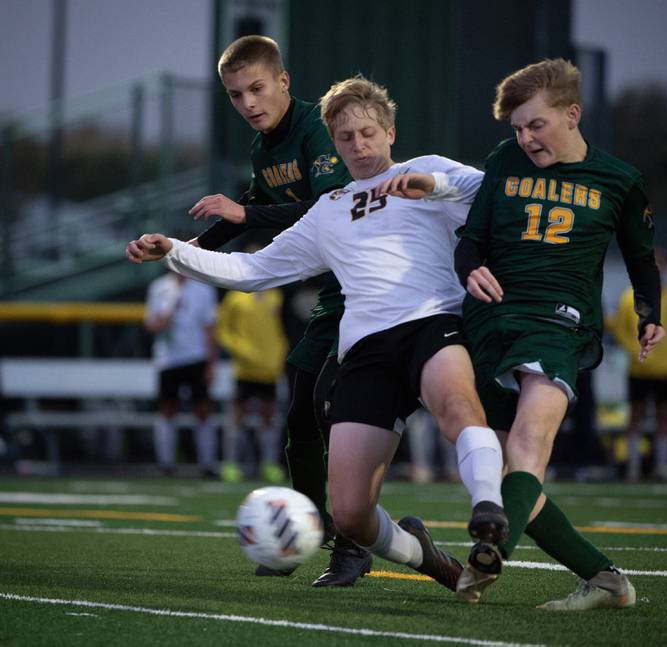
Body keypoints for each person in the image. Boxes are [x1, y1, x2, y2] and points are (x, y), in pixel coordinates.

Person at [127, 76, 508, 598]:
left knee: (457, 409)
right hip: (365, 349)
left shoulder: (430, 171)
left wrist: (435, 187)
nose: (359, 145)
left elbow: (501, 194)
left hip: (431, 323)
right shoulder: (327, 208)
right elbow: (251, 268)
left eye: (368, 132)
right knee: (350, 515)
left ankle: (488, 515)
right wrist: (173, 249)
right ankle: (425, 554)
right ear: (333, 142)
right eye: (346, 137)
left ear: (390, 131)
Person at [128, 35, 370, 586]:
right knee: (299, 414)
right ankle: (310, 529)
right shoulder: (264, 151)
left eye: (257, 88)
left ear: (283, 81)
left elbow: (333, 209)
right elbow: (249, 220)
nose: (249, 103)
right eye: (236, 95)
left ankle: (354, 544)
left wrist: (245, 211)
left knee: (344, 417)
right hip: (335, 294)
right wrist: (176, 248)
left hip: (373, 290)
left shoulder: (317, 128)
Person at [453, 59, 664, 609]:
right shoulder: (504, 160)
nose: (524, 138)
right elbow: (471, 238)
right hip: (491, 323)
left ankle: (490, 553)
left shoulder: (619, 180)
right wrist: (467, 267)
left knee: (531, 443)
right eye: (517, 129)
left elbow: (642, 262)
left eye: (535, 125)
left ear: (572, 115)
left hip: (559, 324)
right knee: (504, 476)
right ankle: (605, 578)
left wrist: (649, 314)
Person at [613, 248, 667, 481]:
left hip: (666, 370)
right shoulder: (630, 297)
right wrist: (638, 351)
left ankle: (662, 467)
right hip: (640, 367)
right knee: (635, 416)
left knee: (664, 417)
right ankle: (633, 468)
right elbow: (621, 330)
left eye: (661, 266)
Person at [215, 245, 289, 483]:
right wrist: (239, 349)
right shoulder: (235, 296)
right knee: (238, 415)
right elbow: (223, 330)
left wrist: (278, 355)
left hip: (269, 368)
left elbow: (281, 331)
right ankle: (231, 464)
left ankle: (268, 464)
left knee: (269, 416)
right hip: (244, 367)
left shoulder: (275, 295)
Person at [144, 271, 219, 477]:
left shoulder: (204, 289)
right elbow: (150, 324)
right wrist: (164, 317)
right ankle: (166, 463)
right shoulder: (159, 287)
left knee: (203, 409)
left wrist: (211, 364)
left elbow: (210, 327)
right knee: (168, 409)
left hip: (196, 356)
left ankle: (207, 464)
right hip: (168, 359)